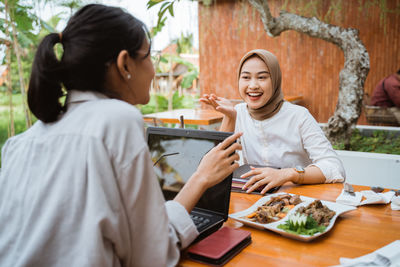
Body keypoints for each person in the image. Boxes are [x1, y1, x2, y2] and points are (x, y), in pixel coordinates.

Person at [0, 4, 242, 267]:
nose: (153, 69)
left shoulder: (20, 142)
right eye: (150, 56)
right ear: (124, 63)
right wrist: (200, 178)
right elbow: (153, 256)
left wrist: (200, 179)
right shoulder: (117, 119)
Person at [200, 49, 345, 195]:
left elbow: (335, 168)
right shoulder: (238, 112)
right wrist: (230, 117)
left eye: (262, 77)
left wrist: (288, 174)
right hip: (255, 199)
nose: (253, 85)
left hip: (298, 200)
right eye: (246, 77)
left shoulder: (299, 116)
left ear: (275, 80)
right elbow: (216, 168)